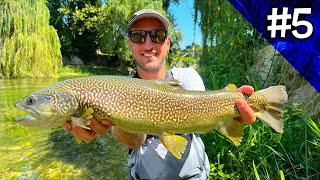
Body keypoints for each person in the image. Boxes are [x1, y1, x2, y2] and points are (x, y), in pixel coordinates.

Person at [63, 9, 256, 180]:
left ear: (168, 42)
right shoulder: (119, 89)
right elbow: (135, 141)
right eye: (138, 36)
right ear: (130, 43)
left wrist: (233, 111)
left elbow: (201, 116)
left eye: (157, 35)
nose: (148, 44)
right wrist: (115, 120)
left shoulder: (187, 76)